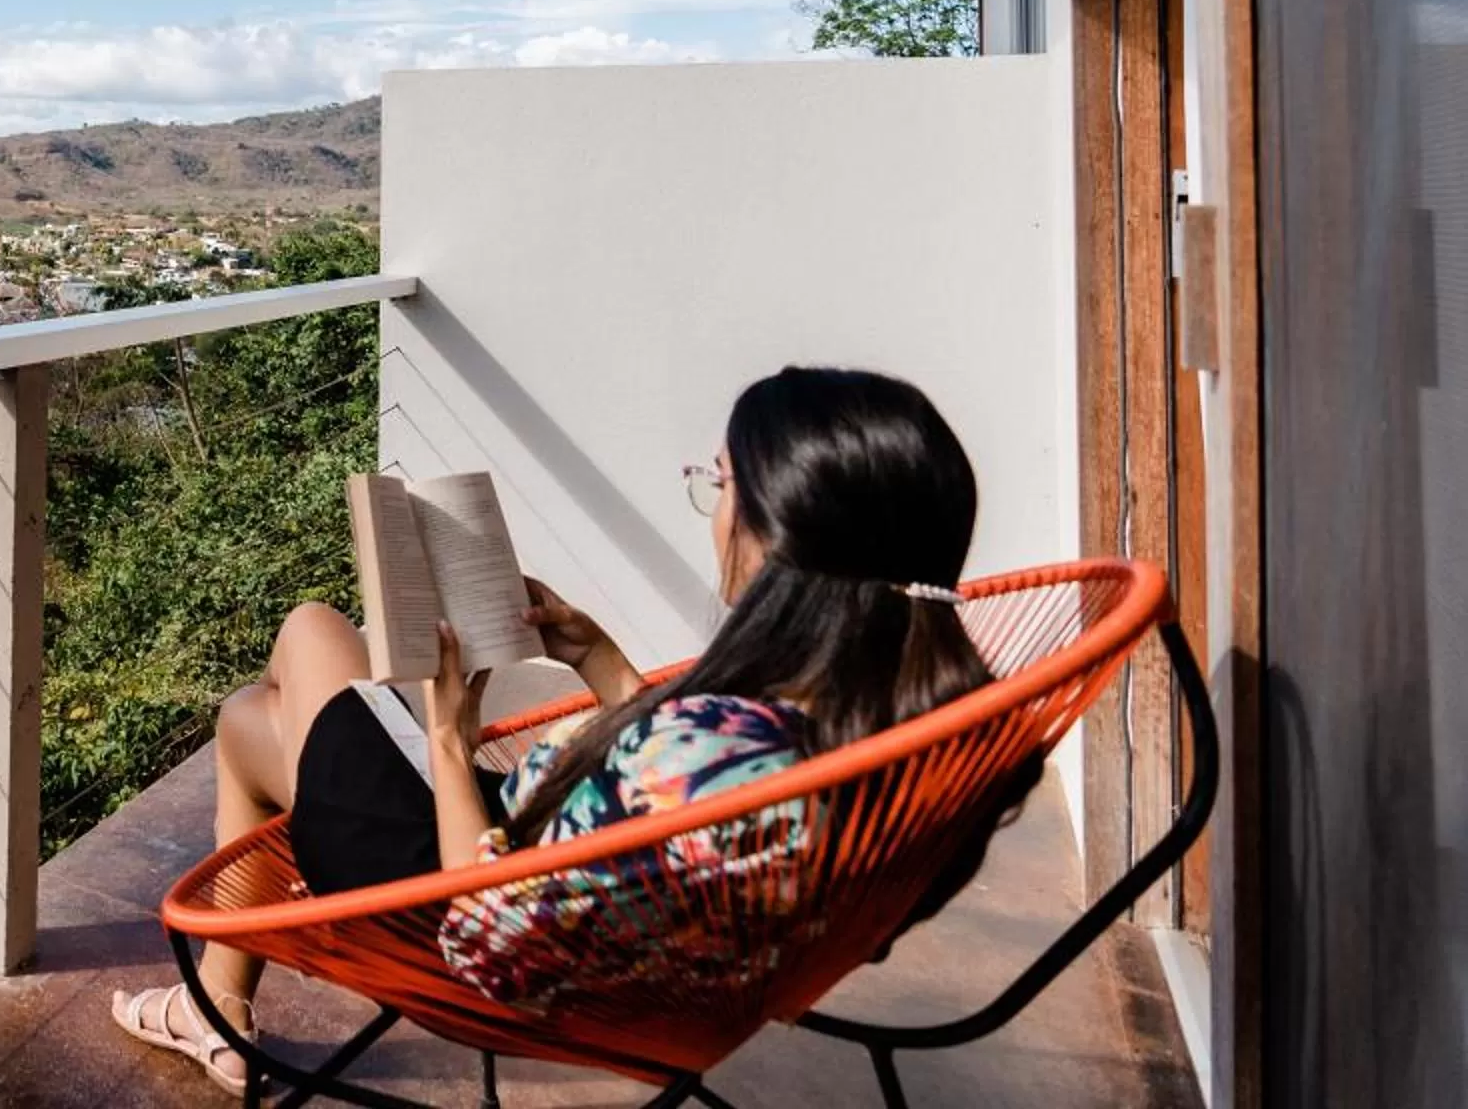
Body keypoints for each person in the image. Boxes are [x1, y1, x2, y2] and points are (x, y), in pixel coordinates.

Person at [110, 366, 1026, 1092]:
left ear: (775, 532)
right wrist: (601, 665)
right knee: (252, 720)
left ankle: (219, 1009)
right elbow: (671, 797)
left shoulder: (708, 753)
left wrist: (446, 738)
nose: (717, 511)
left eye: (721, 484)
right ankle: (218, 1008)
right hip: (552, 884)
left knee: (305, 637)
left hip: (440, 909)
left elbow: (488, 928)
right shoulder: (905, 726)